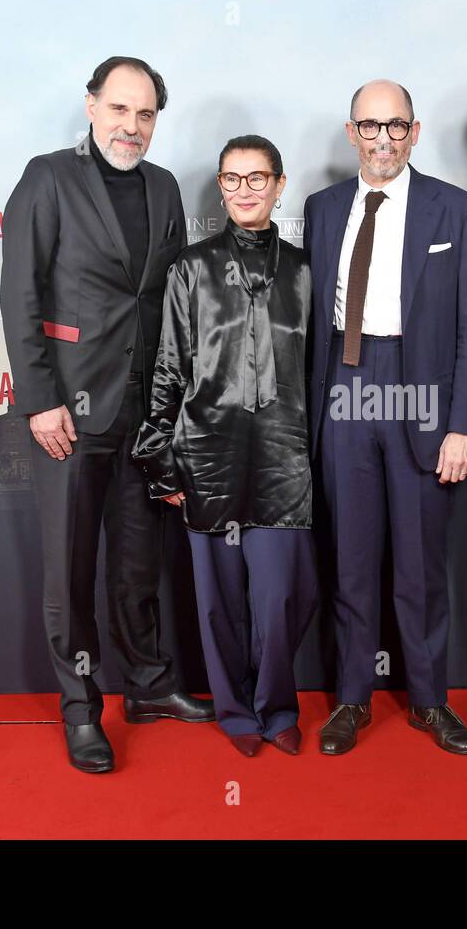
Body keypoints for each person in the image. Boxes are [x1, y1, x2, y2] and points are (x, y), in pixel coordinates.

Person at [0, 56, 214, 774]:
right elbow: (20, 295)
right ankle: (81, 709)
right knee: (70, 570)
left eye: (146, 114)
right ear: (91, 107)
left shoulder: (164, 187)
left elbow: (174, 302)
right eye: (120, 109)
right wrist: (39, 401)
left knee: (137, 562)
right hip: (69, 410)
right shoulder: (48, 177)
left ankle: (150, 686)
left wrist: (175, 406)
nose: (132, 125)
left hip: (145, 414)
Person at [303, 80, 467, 756]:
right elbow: (310, 327)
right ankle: (352, 699)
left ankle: (429, 700)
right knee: (350, 560)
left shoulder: (455, 209)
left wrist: (464, 423)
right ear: (351, 132)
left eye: (396, 126)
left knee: (419, 565)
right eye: (370, 125)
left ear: (415, 131)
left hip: (420, 392)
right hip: (344, 390)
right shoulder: (322, 209)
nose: (383, 138)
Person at [132, 136, 318, 757]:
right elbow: (168, 369)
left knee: (279, 596)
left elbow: (317, 370)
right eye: (232, 179)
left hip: (283, 455)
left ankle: (278, 706)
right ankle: (236, 714)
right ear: (220, 186)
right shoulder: (190, 267)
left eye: (257, 178)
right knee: (216, 599)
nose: (244, 189)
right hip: (206, 450)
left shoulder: (303, 269)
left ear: (279, 184)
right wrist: (162, 458)